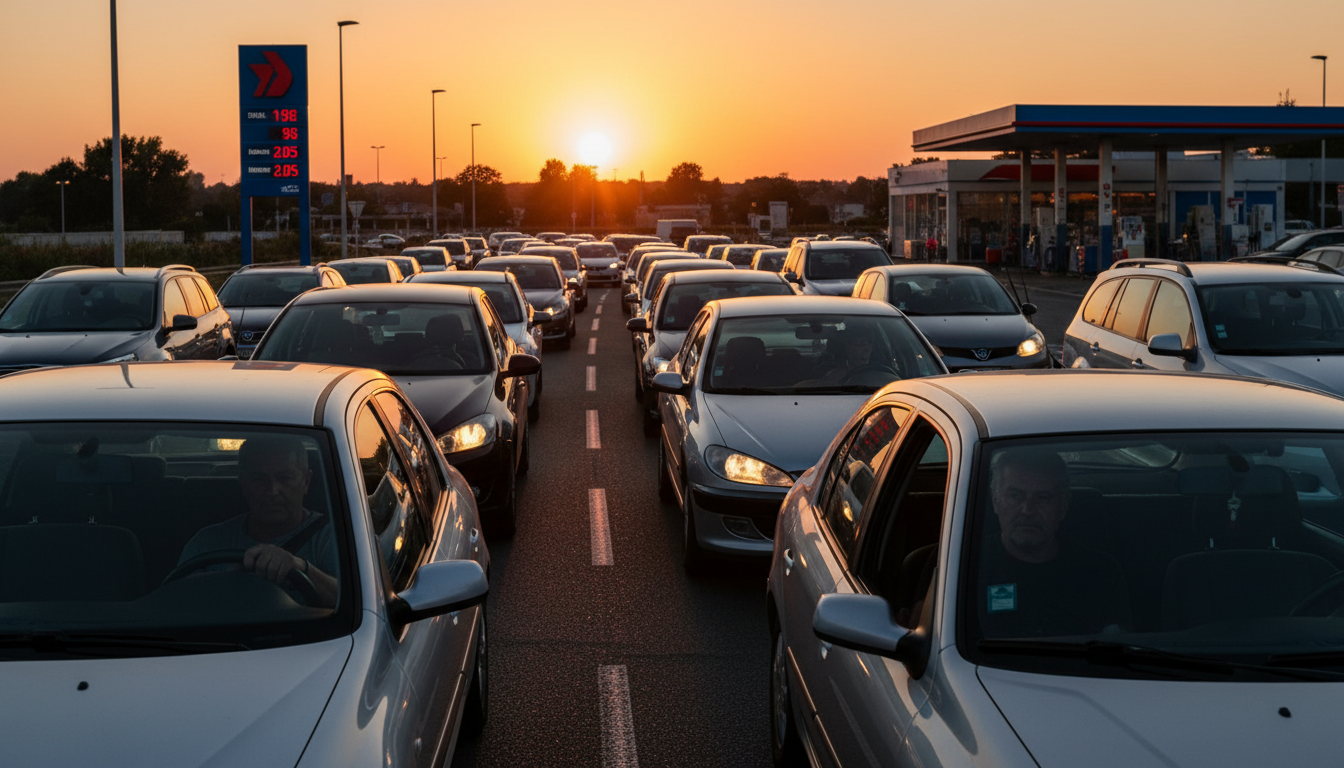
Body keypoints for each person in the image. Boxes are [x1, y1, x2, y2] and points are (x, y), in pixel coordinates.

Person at [978, 447, 1130, 637]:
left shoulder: (1101, 573)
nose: (1027, 510)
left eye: (1043, 498)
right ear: (995, 500)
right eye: (1015, 495)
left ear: (1064, 505)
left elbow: (1120, 647)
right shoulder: (965, 567)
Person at [178, 435, 339, 608]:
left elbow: (354, 600)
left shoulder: (332, 539)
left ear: (306, 482)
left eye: (285, 478)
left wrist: (302, 568)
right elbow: (173, 603)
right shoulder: (208, 542)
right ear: (243, 484)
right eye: (259, 479)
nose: (272, 490)